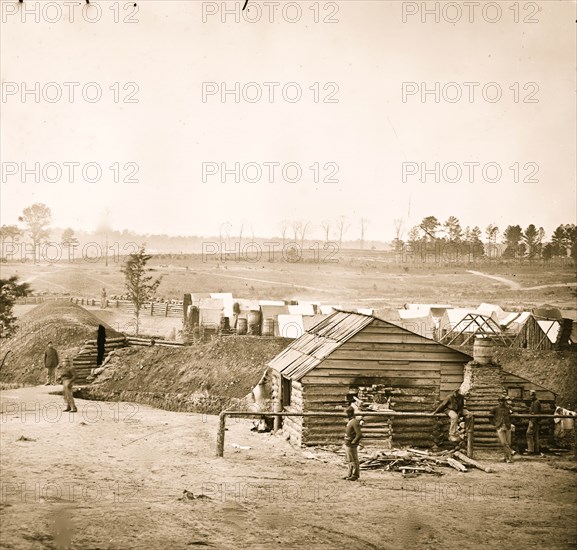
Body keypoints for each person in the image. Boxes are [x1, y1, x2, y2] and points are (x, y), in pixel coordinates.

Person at [489, 396, 513, 462]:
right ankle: (509, 457)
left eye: (503, 401)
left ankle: (506, 457)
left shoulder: (508, 408)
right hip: (500, 427)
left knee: (509, 443)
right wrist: (494, 423)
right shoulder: (495, 408)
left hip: (508, 427)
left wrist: (510, 422)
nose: (502, 402)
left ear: (505, 401)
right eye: (500, 401)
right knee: (504, 443)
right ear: (498, 401)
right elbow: (490, 416)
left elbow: (512, 415)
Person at [343, 406, 363, 481]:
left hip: (351, 444)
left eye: (347, 413)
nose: (346, 414)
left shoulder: (354, 422)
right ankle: (349, 474)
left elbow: (359, 434)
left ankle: (355, 475)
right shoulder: (350, 421)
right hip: (348, 443)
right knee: (349, 460)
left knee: (354, 460)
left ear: (350, 413)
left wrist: (353, 442)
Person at [527, 390, 542, 454]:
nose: (531, 397)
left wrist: (532, 423)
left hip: (534, 421)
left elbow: (535, 413)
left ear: (535, 395)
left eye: (532, 395)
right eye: (530, 395)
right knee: (535, 435)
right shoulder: (534, 402)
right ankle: (536, 450)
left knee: (528, 434)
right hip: (535, 421)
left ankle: (531, 450)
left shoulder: (536, 402)